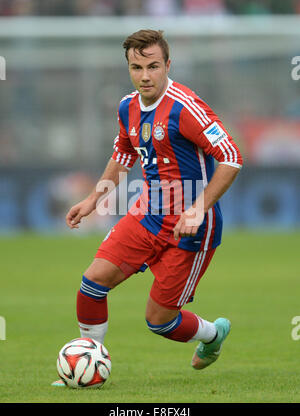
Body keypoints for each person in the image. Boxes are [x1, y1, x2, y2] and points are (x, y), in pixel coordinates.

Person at [52, 29, 243, 386]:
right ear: (128, 67)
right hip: (148, 213)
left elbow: (231, 157)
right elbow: (124, 153)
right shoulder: (127, 106)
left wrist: (198, 208)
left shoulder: (186, 108)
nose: (145, 75)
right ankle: (87, 365)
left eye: (153, 67)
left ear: (167, 64)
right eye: (137, 67)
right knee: (92, 282)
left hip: (191, 229)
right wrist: (94, 198)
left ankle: (212, 335)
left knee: (160, 321)